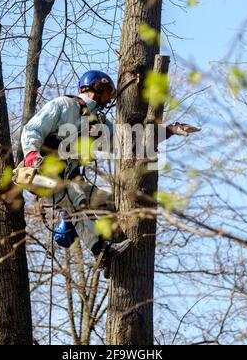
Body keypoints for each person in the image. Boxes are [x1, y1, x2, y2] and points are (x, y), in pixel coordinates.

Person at [21, 70, 189, 263]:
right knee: (76, 195)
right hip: (42, 174)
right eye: (108, 91)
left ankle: (110, 251)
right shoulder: (63, 105)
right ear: (97, 86)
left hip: (67, 177)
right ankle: (100, 251)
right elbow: (32, 130)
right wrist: (32, 157)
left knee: (110, 204)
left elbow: (128, 141)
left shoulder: (97, 122)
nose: (110, 98)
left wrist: (169, 131)